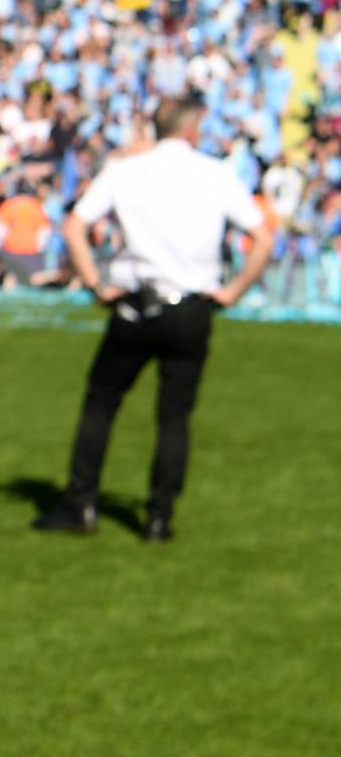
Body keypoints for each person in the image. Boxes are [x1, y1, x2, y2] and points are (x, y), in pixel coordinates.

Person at [34, 96, 275, 542]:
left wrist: (94, 283)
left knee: (101, 402)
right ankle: (159, 517)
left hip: (135, 304)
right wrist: (233, 291)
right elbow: (262, 236)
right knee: (174, 416)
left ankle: (81, 502)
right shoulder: (215, 173)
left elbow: (74, 227)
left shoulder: (127, 171)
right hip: (191, 306)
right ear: (191, 130)